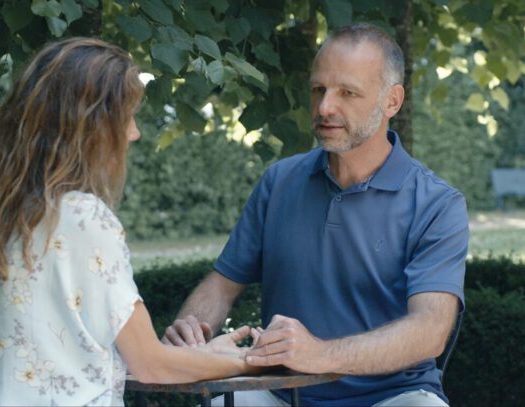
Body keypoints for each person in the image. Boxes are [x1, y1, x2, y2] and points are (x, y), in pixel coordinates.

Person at [162, 23, 469, 407]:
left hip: (394, 396)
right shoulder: (279, 181)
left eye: (347, 93)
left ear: (392, 101)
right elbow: (222, 286)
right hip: (280, 393)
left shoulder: (437, 203)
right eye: (318, 89)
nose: (325, 107)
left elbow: (429, 331)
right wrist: (191, 332)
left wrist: (321, 354)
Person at [0, 37, 257, 406]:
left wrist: (207, 357)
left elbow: (71, 350)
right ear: (91, 126)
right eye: (126, 117)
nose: (134, 133)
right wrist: (247, 361)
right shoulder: (83, 217)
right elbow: (151, 365)